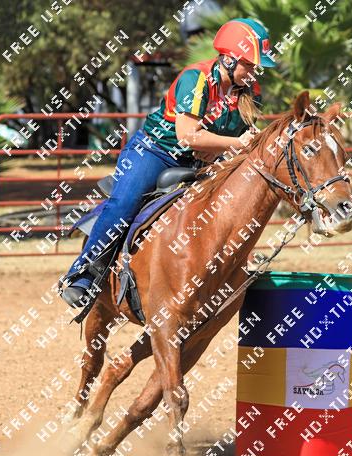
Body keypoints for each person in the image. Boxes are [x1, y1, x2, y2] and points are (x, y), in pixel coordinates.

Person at [60, 18, 277, 308]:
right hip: (155, 152)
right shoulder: (196, 79)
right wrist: (234, 144)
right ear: (228, 59)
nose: (253, 72)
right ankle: (82, 276)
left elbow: (236, 138)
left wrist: (228, 148)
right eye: (248, 65)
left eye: (256, 66)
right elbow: (188, 136)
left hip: (201, 163)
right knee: (124, 205)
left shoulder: (251, 92)